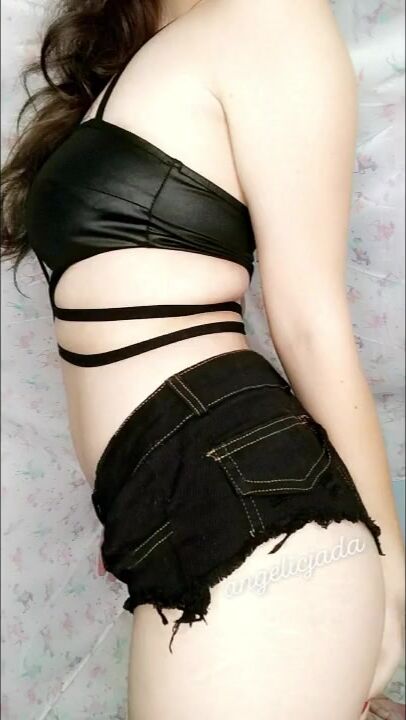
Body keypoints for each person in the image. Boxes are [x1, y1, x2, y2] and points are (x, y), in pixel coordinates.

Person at [1, 0, 404, 718]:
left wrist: (391, 571)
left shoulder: (272, 16)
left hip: (241, 497)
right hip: (157, 504)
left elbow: (309, 320)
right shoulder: (154, 42)